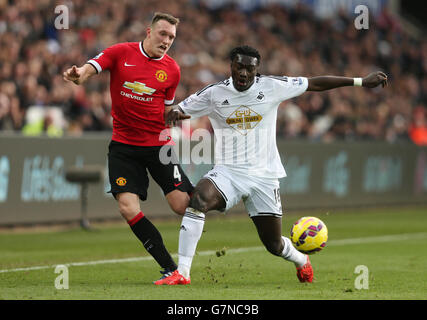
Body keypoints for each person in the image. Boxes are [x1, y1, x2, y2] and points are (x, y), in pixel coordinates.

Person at [157, 45, 388, 285]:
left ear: (257, 70)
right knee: (199, 199)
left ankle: (301, 260)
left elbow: (314, 83)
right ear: (231, 67)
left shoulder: (272, 86)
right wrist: (174, 113)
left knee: (274, 244)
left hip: (264, 177)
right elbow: (178, 110)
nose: (244, 73)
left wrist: (360, 81)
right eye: (239, 67)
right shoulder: (214, 93)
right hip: (229, 173)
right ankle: (182, 272)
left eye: (250, 68)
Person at [63, 12, 194, 284]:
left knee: (182, 205)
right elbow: (92, 67)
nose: (167, 40)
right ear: (148, 31)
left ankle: (219, 191)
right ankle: (170, 267)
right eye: (162, 34)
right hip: (123, 146)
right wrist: (79, 75)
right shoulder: (121, 52)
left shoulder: (172, 69)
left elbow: (168, 106)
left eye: (171, 37)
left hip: (159, 146)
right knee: (127, 208)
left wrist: (175, 115)